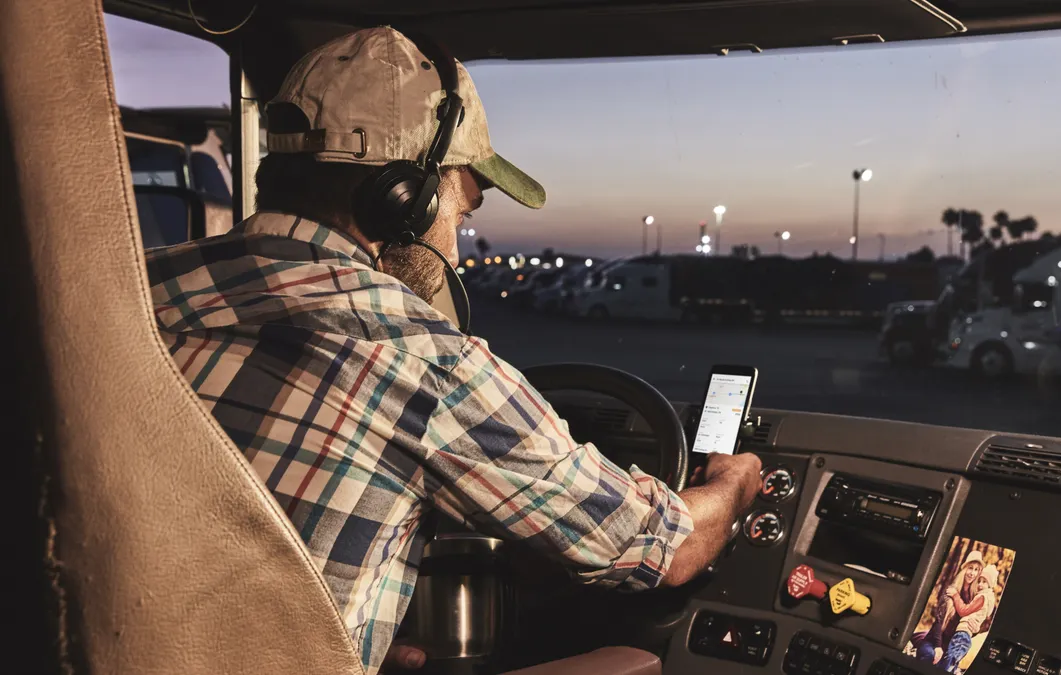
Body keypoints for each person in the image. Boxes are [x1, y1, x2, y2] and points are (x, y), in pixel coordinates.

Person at [144, 26, 761, 675]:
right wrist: (734, 482)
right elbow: (658, 545)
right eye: (461, 213)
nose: (457, 250)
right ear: (405, 197)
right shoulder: (419, 359)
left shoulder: (132, 282)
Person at [914, 550, 984, 665]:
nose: (972, 573)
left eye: (976, 570)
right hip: (933, 642)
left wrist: (974, 628)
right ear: (964, 569)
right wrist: (937, 647)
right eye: (970, 568)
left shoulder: (974, 600)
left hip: (950, 648)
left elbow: (969, 627)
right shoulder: (950, 592)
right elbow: (938, 622)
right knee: (930, 655)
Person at [937, 564, 998, 673]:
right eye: (979, 581)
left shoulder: (982, 597)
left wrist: (955, 595)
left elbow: (964, 611)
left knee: (949, 660)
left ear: (990, 584)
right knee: (952, 662)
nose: (980, 584)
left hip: (962, 635)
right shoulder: (983, 597)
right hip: (961, 635)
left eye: (984, 582)